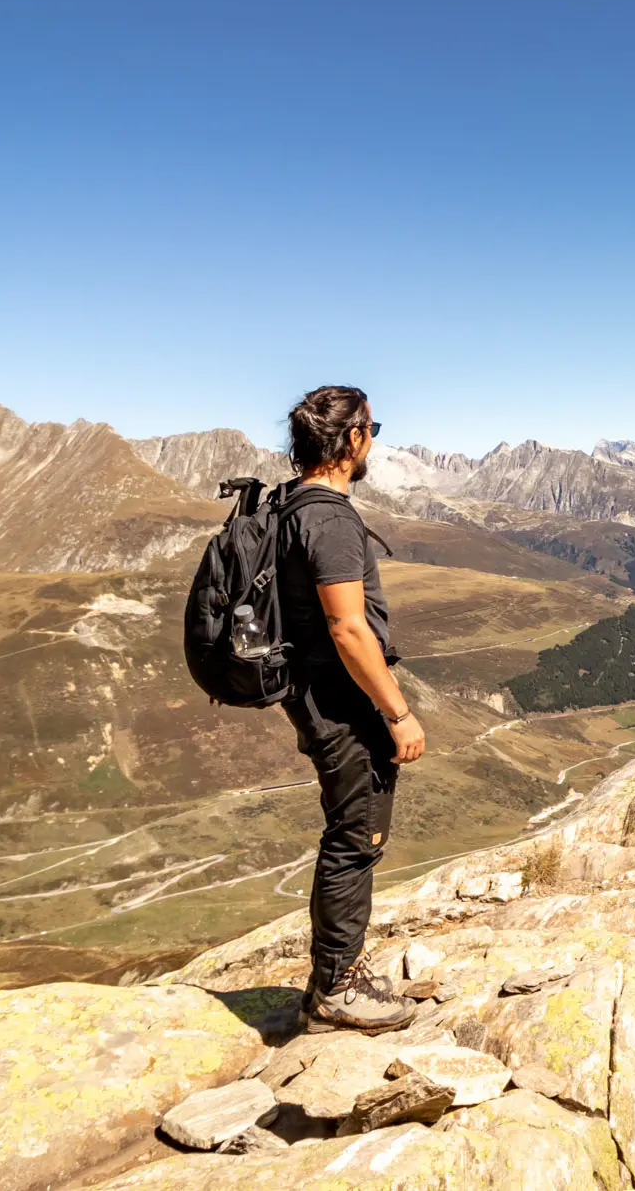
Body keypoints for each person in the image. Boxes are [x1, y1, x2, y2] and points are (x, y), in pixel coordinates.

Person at [276, 385, 424, 1031]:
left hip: (312, 694)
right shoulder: (331, 518)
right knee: (354, 838)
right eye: (373, 430)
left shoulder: (288, 505)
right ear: (354, 438)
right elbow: (348, 628)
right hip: (342, 702)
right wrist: (397, 712)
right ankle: (335, 987)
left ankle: (337, 972)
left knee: (350, 833)